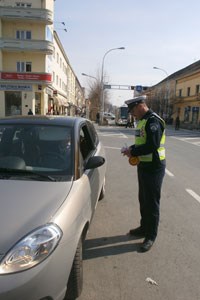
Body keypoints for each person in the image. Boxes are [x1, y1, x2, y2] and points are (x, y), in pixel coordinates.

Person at [122, 96, 166, 252]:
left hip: (154, 167)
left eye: (133, 110)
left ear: (141, 106)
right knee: (143, 198)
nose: (133, 114)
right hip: (143, 165)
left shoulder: (153, 121)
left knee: (152, 202)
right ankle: (144, 227)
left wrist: (132, 151)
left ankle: (151, 236)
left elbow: (152, 145)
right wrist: (132, 149)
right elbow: (142, 142)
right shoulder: (143, 120)